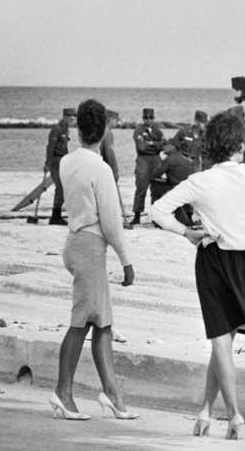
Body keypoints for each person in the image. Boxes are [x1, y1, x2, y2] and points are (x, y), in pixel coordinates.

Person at [150, 111, 245, 440]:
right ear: (240, 145)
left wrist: (185, 233)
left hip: (213, 260)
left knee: (221, 342)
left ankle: (206, 412)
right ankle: (234, 415)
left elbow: (157, 210)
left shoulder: (200, 181)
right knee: (223, 343)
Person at [49, 99, 138, 421]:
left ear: (78, 129)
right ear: (104, 130)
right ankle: (63, 392)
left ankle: (112, 395)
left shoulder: (67, 162)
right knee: (82, 322)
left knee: (101, 322)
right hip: (90, 246)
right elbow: (112, 221)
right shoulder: (100, 168)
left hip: (76, 241)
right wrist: (126, 260)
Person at [150, 140, 197, 226]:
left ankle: (156, 218)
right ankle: (188, 214)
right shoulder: (185, 158)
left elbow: (156, 174)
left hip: (176, 187)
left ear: (173, 147)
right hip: (186, 187)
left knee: (155, 185)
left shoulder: (170, 159)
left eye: (166, 145)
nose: (163, 147)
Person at [130, 108, 164, 225]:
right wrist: (154, 145)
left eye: (150, 117)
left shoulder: (157, 129)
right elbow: (141, 147)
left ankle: (156, 217)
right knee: (141, 188)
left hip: (156, 160)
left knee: (157, 189)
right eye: (146, 117)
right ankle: (137, 215)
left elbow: (162, 145)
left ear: (153, 118)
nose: (148, 120)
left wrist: (150, 143)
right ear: (143, 118)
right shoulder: (138, 130)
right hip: (143, 160)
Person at [45, 108, 77, 225]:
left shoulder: (65, 129)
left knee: (63, 188)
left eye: (74, 117)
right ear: (65, 117)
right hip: (56, 161)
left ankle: (57, 214)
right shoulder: (57, 129)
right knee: (60, 188)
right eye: (70, 117)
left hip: (63, 161)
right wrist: (47, 163)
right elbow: (50, 146)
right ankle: (55, 216)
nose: (72, 119)